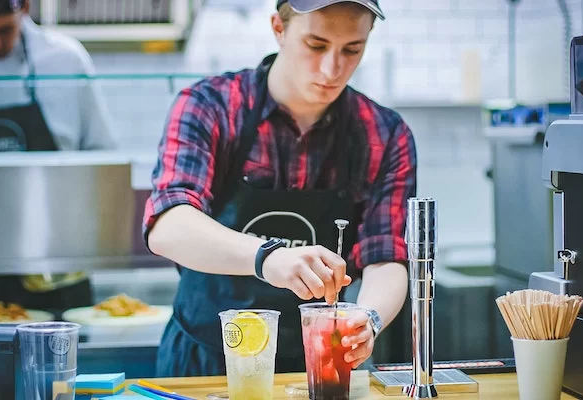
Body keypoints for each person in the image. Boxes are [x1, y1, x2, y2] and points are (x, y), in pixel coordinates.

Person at [144, 0, 416, 377]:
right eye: (316, 45)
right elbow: (168, 226)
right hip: (202, 363)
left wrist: (367, 319)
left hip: (317, 366)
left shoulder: (383, 134)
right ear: (279, 28)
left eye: (352, 49)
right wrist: (267, 258)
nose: (332, 69)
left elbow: (386, 255)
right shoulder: (211, 105)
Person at [0, 0, 116, 315]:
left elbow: (101, 158)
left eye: (4, 30)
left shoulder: (64, 59)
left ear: (25, 9)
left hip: (53, 267)